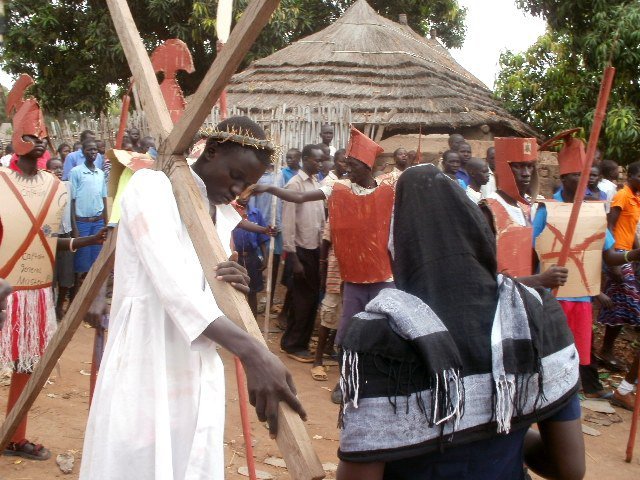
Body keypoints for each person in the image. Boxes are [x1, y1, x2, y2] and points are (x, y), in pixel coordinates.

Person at [80, 117, 306, 479]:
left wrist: (229, 282)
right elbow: (174, 287)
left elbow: (200, 290)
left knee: (189, 458)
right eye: (235, 176)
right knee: (137, 461)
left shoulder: (222, 215)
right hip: (147, 354)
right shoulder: (150, 188)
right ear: (211, 150)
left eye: (247, 185)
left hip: (196, 365)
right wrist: (252, 351)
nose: (238, 190)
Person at [336, 164, 584, 480]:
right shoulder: (533, 311)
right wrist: (498, 422)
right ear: (477, 233)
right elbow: (569, 468)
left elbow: (361, 472)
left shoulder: (379, 333)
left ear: (399, 244)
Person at [1, 109, 106, 460]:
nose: (40, 140)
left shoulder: (55, 187)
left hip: (34, 295)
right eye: (32, 135)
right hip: (4, 292)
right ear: (17, 139)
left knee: (27, 366)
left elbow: (49, 240)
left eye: (42, 134)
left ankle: (15, 437)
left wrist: (88, 243)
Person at [533, 132, 640, 400]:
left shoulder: (594, 211)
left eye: (586, 175)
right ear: (564, 178)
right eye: (576, 175)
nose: (582, 181)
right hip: (551, 294)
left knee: (580, 348)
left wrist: (634, 255)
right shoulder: (548, 209)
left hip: (581, 297)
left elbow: (610, 255)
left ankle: (576, 391)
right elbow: (533, 251)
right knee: (548, 349)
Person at [481, 137, 567, 289]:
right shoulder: (488, 210)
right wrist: (539, 280)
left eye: (529, 166)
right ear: (504, 168)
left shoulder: (525, 208)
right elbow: (485, 275)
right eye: (518, 167)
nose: (526, 173)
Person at [596, 161, 640, 393]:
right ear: (630, 175)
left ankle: (606, 350)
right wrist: (610, 263)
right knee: (631, 307)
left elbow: (631, 231)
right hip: (617, 256)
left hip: (627, 256)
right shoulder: (622, 196)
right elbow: (611, 225)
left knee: (620, 307)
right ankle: (606, 351)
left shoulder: (636, 198)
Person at [70, 140, 108, 284]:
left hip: (98, 222)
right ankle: (79, 295)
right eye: (89, 150)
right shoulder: (76, 172)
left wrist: (105, 223)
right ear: (83, 152)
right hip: (82, 223)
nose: (92, 153)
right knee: (82, 262)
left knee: (97, 261)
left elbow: (103, 199)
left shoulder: (100, 174)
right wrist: (75, 228)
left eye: (95, 150)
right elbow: (72, 201)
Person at [231, 196, 271, 316]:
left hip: (252, 257)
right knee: (236, 290)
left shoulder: (256, 213)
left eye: (247, 194)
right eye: (241, 194)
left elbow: (262, 238)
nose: (244, 197)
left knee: (252, 291)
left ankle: (254, 321)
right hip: (236, 257)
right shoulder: (231, 211)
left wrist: (265, 257)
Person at [46, 157, 75, 319]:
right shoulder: (44, 187)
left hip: (66, 233)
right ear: (47, 170)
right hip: (50, 237)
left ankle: (59, 306)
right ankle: (50, 307)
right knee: (51, 275)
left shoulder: (68, 186)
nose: (58, 170)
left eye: (60, 167)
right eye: (54, 168)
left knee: (66, 274)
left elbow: (71, 209)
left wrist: (74, 231)